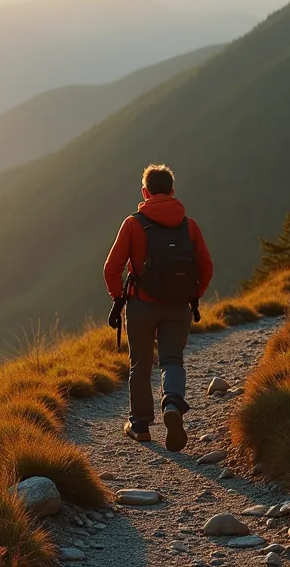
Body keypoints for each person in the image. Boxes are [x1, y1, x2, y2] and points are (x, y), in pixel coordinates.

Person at [103, 164, 213, 451]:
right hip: (178, 306)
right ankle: (172, 403)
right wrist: (194, 292)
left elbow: (111, 269)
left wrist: (118, 297)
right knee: (172, 360)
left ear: (145, 192)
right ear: (172, 192)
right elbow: (207, 267)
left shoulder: (133, 223)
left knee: (140, 364)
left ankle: (140, 426)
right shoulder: (189, 225)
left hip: (141, 305)